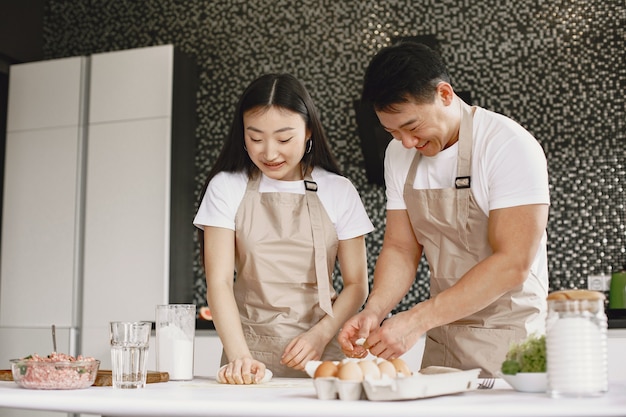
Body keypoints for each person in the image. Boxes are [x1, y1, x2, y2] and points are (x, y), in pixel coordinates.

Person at [337, 42, 550, 377]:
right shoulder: (399, 154)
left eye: (411, 126)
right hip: (442, 336)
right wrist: (374, 311)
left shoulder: (507, 145)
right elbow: (401, 248)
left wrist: (416, 320)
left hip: (509, 339)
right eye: (392, 132)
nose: (406, 142)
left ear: (445, 94)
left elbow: (513, 263)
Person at [194, 73, 374, 384]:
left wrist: (319, 336)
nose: (269, 152)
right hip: (248, 357)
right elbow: (219, 283)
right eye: (255, 138)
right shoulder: (226, 187)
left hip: (323, 357)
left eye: (283, 138)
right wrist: (239, 356)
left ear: (308, 132)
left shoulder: (338, 190)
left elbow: (357, 284)